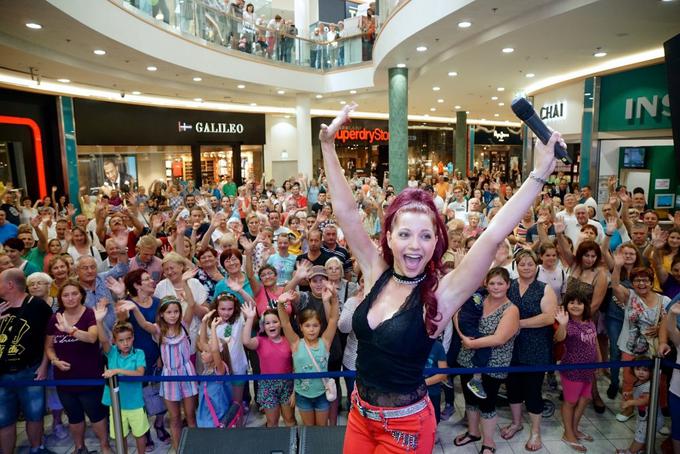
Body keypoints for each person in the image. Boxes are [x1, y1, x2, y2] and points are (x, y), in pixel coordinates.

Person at [319, 103, 561, 453]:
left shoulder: (443, 293)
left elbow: (493, 235)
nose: (414, 245)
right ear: (388, 237)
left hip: (404, 425)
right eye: (404, 234)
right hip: (359, 414)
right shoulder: (375, 272)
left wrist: (538, 175)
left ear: (437, 242)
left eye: (425, 236)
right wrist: (328, 146)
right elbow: (345, 212)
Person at [453, 268, 520, 453]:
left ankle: (488, 442)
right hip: (468, 359)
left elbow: (499, 338)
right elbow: (458, 315)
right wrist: (463, 336)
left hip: (493, 364)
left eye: (500, 283)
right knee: (470, 399)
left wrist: (471, 344)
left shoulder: (511, 309)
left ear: (508, 285)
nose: (496, 287)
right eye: (492, 283)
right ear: (486, 284)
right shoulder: (478, 299)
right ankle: (473, 432)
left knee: (487, 403)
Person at [45, 280, 112, 454]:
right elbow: (49, 346)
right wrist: (54, 360)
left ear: (81, 295)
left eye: (74, 293)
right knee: (74, 417)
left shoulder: (90, 314)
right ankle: (79, 447)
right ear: (60, 298)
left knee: (96, 414)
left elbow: (92, 338)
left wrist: (71, 330)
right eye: (66, 295)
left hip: (89, 375)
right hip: (65, 378)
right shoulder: (56, 317)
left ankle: (105, 446)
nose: (70, 298)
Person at [502, 249, 557, 451]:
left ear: (537, 266)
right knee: (513, 388)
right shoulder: (510, 286)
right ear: (516, 266)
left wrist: (518, 323)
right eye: (522, 263)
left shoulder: (545, 289)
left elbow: (549, 317)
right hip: (510, 346)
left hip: (536, 347)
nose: (526, 267)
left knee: (533, 391)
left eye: (530, 264)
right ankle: (516, 423)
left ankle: (536, 431)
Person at [128, 296, 198, 450]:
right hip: (169, 376)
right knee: (174, 418)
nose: (173, 315)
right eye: (169, 312)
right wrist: (134, 309)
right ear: (161, 314)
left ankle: (193, 447)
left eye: (176, 311)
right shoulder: (159, 330)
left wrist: (184, 282)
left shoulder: (184, 325)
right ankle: (178, 448)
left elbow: (192, 304)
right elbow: (145, 325)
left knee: (190, 415)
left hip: (187, 373)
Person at [0, 269, 53, 454]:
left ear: (10, 285)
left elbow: (50, 337)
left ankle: (36, 448)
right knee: (4, 418)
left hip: (29, 369)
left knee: (34, 415)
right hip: (2, 372)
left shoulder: (37, 306)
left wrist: (44, 365)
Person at [277, 284, 339, 426]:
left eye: (315, 326)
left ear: (320, 327)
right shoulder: (296, 343)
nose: (311, 330)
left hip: (322, 394)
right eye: (307, 326)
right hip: (302, 396)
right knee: (309, 429)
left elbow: (333, 320)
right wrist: (281, 304)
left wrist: (334, 298)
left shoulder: (325, 342)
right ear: (301, 327)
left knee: (321, 429)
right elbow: (285, 323)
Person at [95, 316, 148, 454]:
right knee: (120, 435)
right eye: (121, 340)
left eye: (128, 339)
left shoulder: (139, 353)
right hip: (116, 404)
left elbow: (139, 373)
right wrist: (99, 322)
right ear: (115, 341)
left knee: (139, 434)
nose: (125, 343)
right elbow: (103, 340)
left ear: (133, 338)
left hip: (135, 403)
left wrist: (117, 370)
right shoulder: (111, 353)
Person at [555, 290, 599, 452]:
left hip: (589, 369)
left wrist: (599, 364)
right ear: (566, 305)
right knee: (571, 401)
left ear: (585, 305)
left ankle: (574, 429)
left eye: (579, 302)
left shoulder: (589, 321)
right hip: (572, 370)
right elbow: (559, 338)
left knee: (585, 399)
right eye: (571, 302)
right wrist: (563, 324)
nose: (575, 305)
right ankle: (568, 434)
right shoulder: (568, 325)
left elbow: (594, 343)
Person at [242, 302, 296, 427]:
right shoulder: (260, 341)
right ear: (263, 326)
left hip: (287, 384)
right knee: (272, 421)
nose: (271, 325)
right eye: (267, 323)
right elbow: (246, 341)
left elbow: (295, 366)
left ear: (281, 323)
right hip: (267, 385)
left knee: (290, 419)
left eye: (275, 322)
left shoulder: (289, 340)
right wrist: (250, 318)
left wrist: (295, 390)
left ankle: (293, 444)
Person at [615, 360, 662, 454]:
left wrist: (630, 403)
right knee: (643, 436)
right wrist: (629, 393)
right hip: (644, 417)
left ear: (652, 371)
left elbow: (645, 400)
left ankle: (630, 452)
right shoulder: (639, 382)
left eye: (645, 370)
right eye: (638, 369)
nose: (640, 372)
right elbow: (638, 391)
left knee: (640, 437)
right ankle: (643, 449)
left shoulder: (649, 385)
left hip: (651, 419)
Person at [195, 312, 233, 428]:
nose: (202, 353)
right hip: (205, 415)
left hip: (217, 417)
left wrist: (213, 328)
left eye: (207, 351)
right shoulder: (208, 367)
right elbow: (202, 343)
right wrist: (204, 322)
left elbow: (215, 350)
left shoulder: (220, 369)